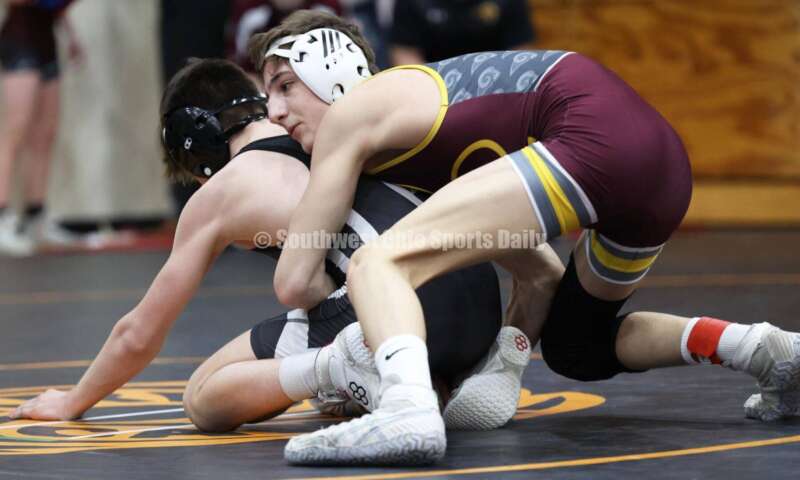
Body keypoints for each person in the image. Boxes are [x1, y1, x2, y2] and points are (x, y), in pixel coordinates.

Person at [247, 10, 800, 465]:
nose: (275, 112)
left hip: (589, 132)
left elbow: (294, 280)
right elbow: (540, 272)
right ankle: (762, 348)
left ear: (331, 70)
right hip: (657, 164)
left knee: (376, 264)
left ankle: (404, 409)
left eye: (286, 86)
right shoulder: (405, 128)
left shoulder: (352, 115)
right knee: (577, 345)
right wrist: (506, 364)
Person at [9, 58, 563, 433]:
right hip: (477, 300)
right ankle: (456, 375)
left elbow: (139, 333)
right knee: (321, 293)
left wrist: (74, 401)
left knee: (203, 397)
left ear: (197, 144)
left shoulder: (224, 190)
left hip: (393, 304)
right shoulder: (331, 128)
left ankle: (336, 365)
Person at [0, 0, 83, 256]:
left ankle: (36, 217)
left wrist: (70, 34)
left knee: (45, 135)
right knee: (14, 133)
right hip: (19, 41)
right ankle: (3, 218)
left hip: (46, 40)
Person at [389, 0, 535, 65]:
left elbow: (521, 54)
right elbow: (405, 55)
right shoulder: (412, 3)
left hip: (495, 84)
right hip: (434, 88)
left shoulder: (507, 3)